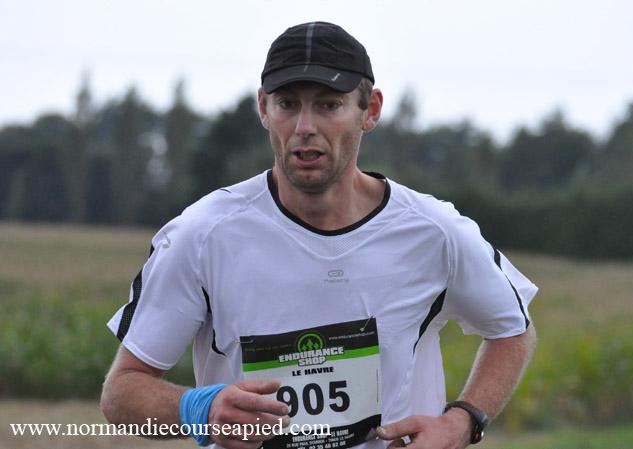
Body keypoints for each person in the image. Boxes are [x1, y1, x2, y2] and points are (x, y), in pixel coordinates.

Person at [101, 21, 537, 449]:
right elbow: (122, 392)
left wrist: (463, 420)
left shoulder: (435, 231)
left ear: (370, 110)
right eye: (287, 104)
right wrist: (202, 409)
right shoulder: (201, 235)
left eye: (329, 105)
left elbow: (513, 330)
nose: (304, 126)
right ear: (263, 108)